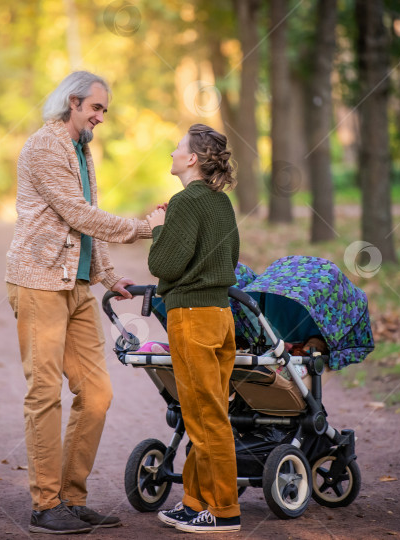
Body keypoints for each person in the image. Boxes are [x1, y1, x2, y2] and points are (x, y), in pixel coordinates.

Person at [5, 70, 164, 535]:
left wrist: (108, 276)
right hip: (38, 283)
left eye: (104, 111)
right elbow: (78, 213)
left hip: (76, 288)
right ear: (72, 102)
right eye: (96, 108)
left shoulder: (83, 148)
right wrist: (142, 227)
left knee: (97, 394)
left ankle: (71, 500)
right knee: (44, 394)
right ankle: (44, 505)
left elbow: (87, 220)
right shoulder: (45, 146)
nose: (101, 117)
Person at [147, 124, 241, 533]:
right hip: (221, 318)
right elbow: (229, 258)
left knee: (206, 419)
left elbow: (163, 266)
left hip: (192, 318)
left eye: (178, 147)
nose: (171, 151)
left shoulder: (185, 202)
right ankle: (194, 502)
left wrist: (156, 228)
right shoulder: (221, 204)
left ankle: (223, 511)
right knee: (205, 414)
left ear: (192, 159)